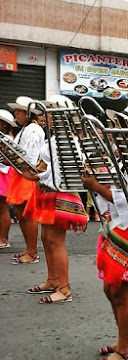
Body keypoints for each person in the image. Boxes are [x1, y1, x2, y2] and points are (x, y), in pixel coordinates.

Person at [81, 132, 128, 360]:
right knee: (110, 290)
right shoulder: (121, 158)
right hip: (115, 226)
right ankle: (125, 340)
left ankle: (124, 351)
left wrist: (95, 185)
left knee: (121, 294)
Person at [21, 95, 88, 303]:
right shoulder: (56, 139)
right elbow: (44, 166)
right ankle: (52, 281)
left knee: (56, 242)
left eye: (51, 112)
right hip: (47, 192)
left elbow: (61, 174)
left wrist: (36, 175)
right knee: (46, 239)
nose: (46, 116)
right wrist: (33, 171)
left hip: (59, 193)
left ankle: (65, 289)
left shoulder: (69, 143)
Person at [6, 96, 45, 263]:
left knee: (26, 213)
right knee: (19, 211)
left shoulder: (33, 130)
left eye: (18, 112)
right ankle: (29, 249)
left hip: (26, 172)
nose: (16, 116)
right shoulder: (26, 129)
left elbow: (29, 156)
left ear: (28, 114)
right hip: (20, 171)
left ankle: (32, 252)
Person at [0, 109, 17, 249]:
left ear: (4, 125)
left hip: (3, 174)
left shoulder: (7, 139)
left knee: (2, 208)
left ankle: (3, 239)